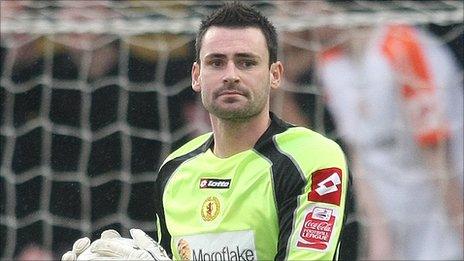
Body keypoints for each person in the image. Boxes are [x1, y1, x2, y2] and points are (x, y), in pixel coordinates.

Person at [62, 2, 350, 260]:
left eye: (247, 62)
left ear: (274, 75)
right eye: (216, 62)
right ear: (196, 76)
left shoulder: (312, 157)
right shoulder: (174, 169)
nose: (231, 74)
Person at [314, 22, 463, 260]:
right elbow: (359, 160)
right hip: (396, 227)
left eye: (299, 3)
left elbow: (440, 162)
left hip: (441, 218)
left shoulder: (402, 46)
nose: (292, 15)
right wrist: (380, 245)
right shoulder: (329, 62)